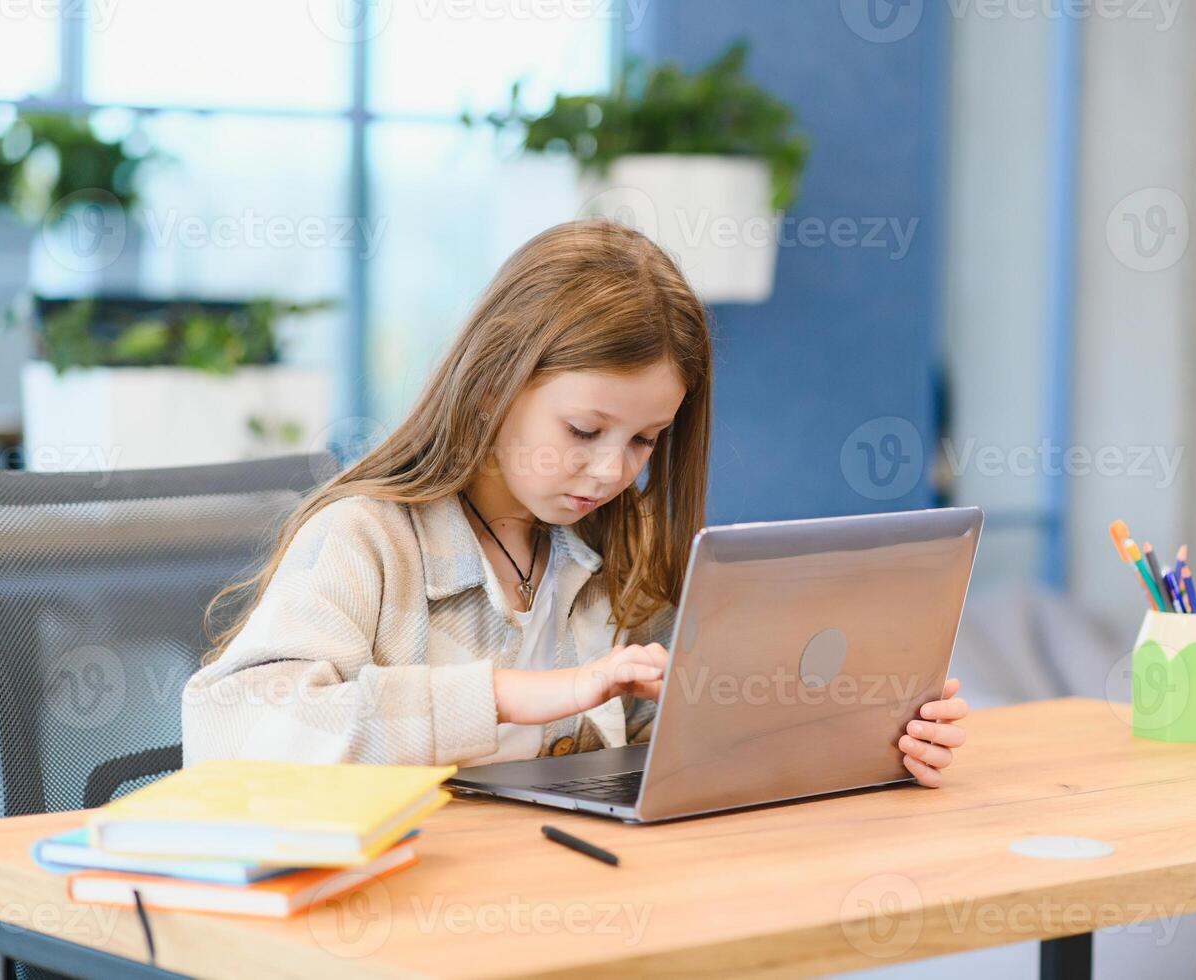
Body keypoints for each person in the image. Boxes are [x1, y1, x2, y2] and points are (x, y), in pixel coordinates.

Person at [181, 219, 967, 783]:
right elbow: (232, 731)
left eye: (643, 440)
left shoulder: (618, 544)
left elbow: (670, 753)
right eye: (585, 428)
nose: (608, 471)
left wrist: (871, 739)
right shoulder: (367, 539)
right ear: (494, 383)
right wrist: (509, 696)